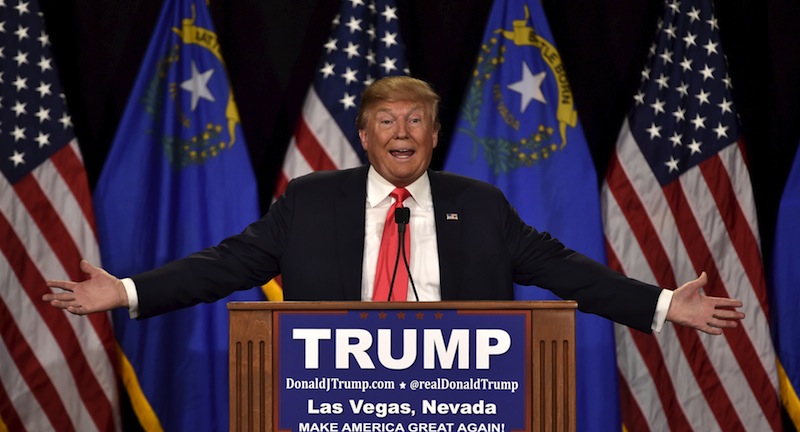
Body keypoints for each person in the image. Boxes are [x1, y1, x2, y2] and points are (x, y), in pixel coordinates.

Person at [43, 76, 743, 335]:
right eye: (387, 121)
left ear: (436, 136)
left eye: (416, 121)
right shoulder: (311, 203)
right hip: (333, 412)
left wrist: (660, 304)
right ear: (364, 135)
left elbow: (563, 270)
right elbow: (230, 263)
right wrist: (128, 290)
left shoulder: (481, 204)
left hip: (463, 408)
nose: (402, 132)